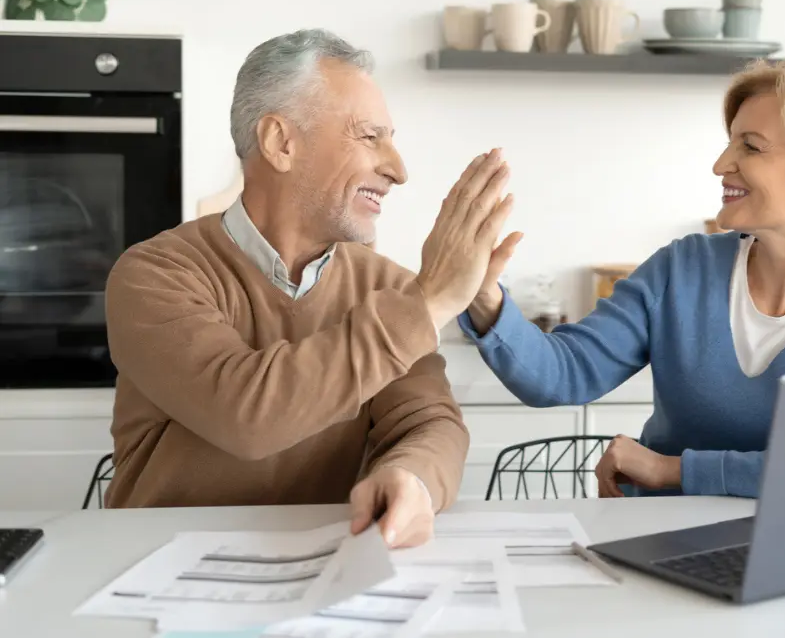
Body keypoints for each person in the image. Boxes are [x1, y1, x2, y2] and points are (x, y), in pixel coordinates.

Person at [103, 28, 514, 548]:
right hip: (158, 577)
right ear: (281, 142)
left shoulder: (389, 287)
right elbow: (247, 415)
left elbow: (428, 421)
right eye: (370, 136)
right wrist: (431, 302)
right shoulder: (155, 274)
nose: (398, 169)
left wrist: (412, 476)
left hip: (324, 566)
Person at [457, 60, 785, 499]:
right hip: (656, 536)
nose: (721, 164)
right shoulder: (683, 269)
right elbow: (562, 374)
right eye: (730, 142)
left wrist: (670, 469)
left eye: (751, 146)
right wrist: (483, 297)